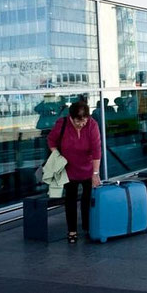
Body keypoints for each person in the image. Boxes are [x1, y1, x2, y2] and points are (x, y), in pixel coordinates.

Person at [47, 100, 102, 244]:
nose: (82, 124)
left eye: (84, 120)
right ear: (71, 117)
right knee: (70, 199)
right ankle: (72, 230)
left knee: (87, 199)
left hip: (88, 167)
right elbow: (51, 141)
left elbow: (97, 151)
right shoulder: (62, 124)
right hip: (69, 168)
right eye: (78, 120)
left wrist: (95, 173)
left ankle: (87, 226)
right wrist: (57, 157)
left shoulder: (92, 125)